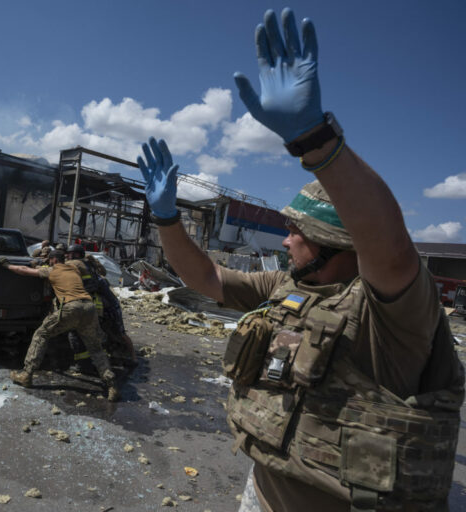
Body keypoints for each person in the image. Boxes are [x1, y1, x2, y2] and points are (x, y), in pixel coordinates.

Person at [136, 8, 463, 512]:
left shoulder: (392, 316)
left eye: (297, 233)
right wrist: (166, 220)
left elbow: (393, 252)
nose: (285, 243)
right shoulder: (286, 289)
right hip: (262, 496)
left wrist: (315, 140)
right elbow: (202, 276)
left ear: (337, 245)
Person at [1, 249, 120, 402]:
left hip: (71, 308)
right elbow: (88, 265)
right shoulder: (74, 267)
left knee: (41, 334)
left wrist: (7, 266)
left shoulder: (52, 271)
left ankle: (27, 374)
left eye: (50, 261)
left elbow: (23, 271)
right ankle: (111, 385)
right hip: (89, 308)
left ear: (53, 261)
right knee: (95, 348)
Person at [65, 244, 136, 373]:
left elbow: (92, 288)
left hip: (109, 307)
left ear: (75, 255)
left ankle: (132, 359)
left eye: (69, 255)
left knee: (119, 333)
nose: (67, 257)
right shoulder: (85, 268)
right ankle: (107, 360)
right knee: (103, 335)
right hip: (102, 307)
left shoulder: (84, 269)